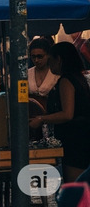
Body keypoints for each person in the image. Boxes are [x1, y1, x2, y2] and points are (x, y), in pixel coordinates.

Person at [31, 42, 90, 180]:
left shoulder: (66, 81)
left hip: (76, 140)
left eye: (50, 60)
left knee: (75, 186)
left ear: (59, 60)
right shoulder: (79, 78)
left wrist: (42, 119)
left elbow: (67, 114)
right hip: (81, 137)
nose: (49, 65)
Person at [28, 37, 60, 110]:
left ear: (48, 55)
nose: (36, 60)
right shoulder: (27, 73)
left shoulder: (55, 74)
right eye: (33, 57)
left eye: (40, 56)